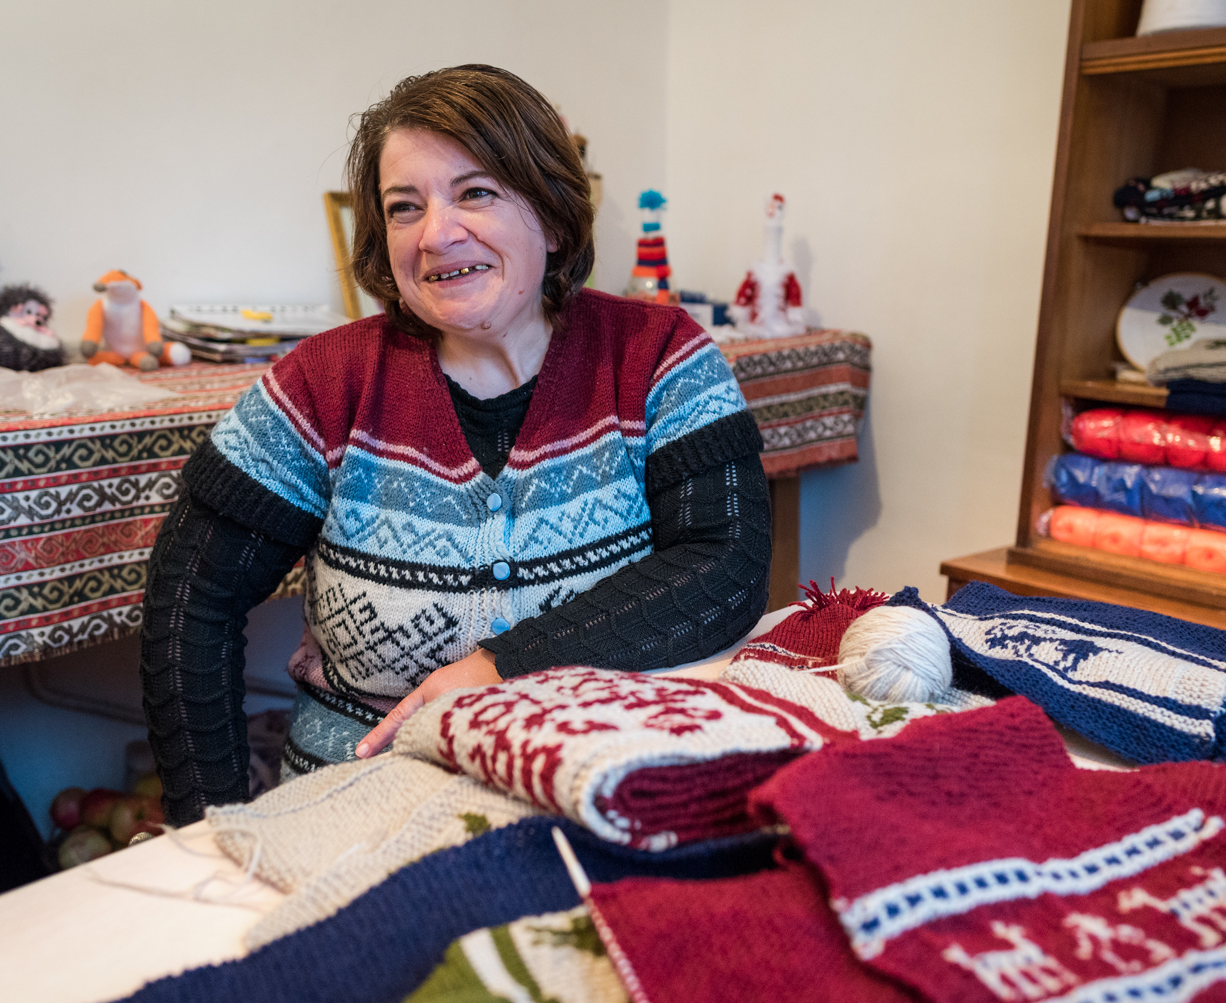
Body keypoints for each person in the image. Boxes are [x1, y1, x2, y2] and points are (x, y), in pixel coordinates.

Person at [141, 65, 772, 827]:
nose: (436, 235)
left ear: (553, 216)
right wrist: (205, 829)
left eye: (475, 193)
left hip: (603, 798)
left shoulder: (658, 353)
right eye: (404, 208)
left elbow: (724, 565)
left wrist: (506, 666)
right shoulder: (321, 383)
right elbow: (191, 601)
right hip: (356, 806)